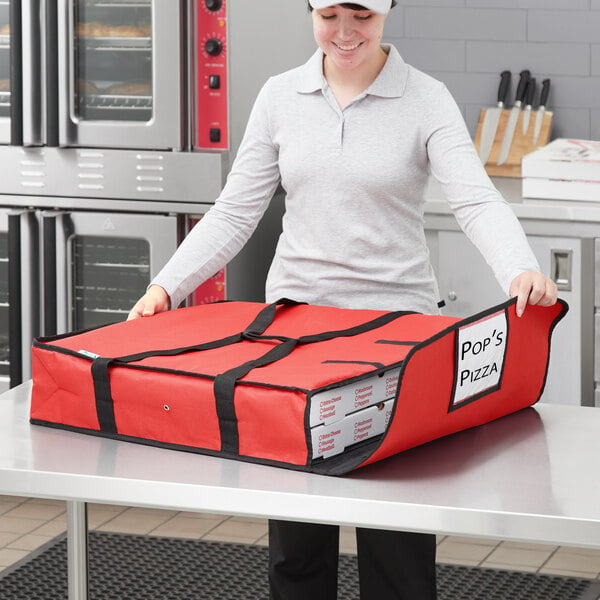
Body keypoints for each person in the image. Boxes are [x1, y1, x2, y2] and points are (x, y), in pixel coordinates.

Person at [129, 1, 558, 597]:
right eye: (329, 15)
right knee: (297, 549)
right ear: (310, 11)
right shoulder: (280, 96)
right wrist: (165, 286)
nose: (345, 32)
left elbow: (476, 200)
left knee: (398, 546)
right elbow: (235, 211)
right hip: (293, 342)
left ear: (387, 11)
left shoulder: (426, 98)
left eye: (361, 14)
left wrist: (520, 269)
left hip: (400, 342)